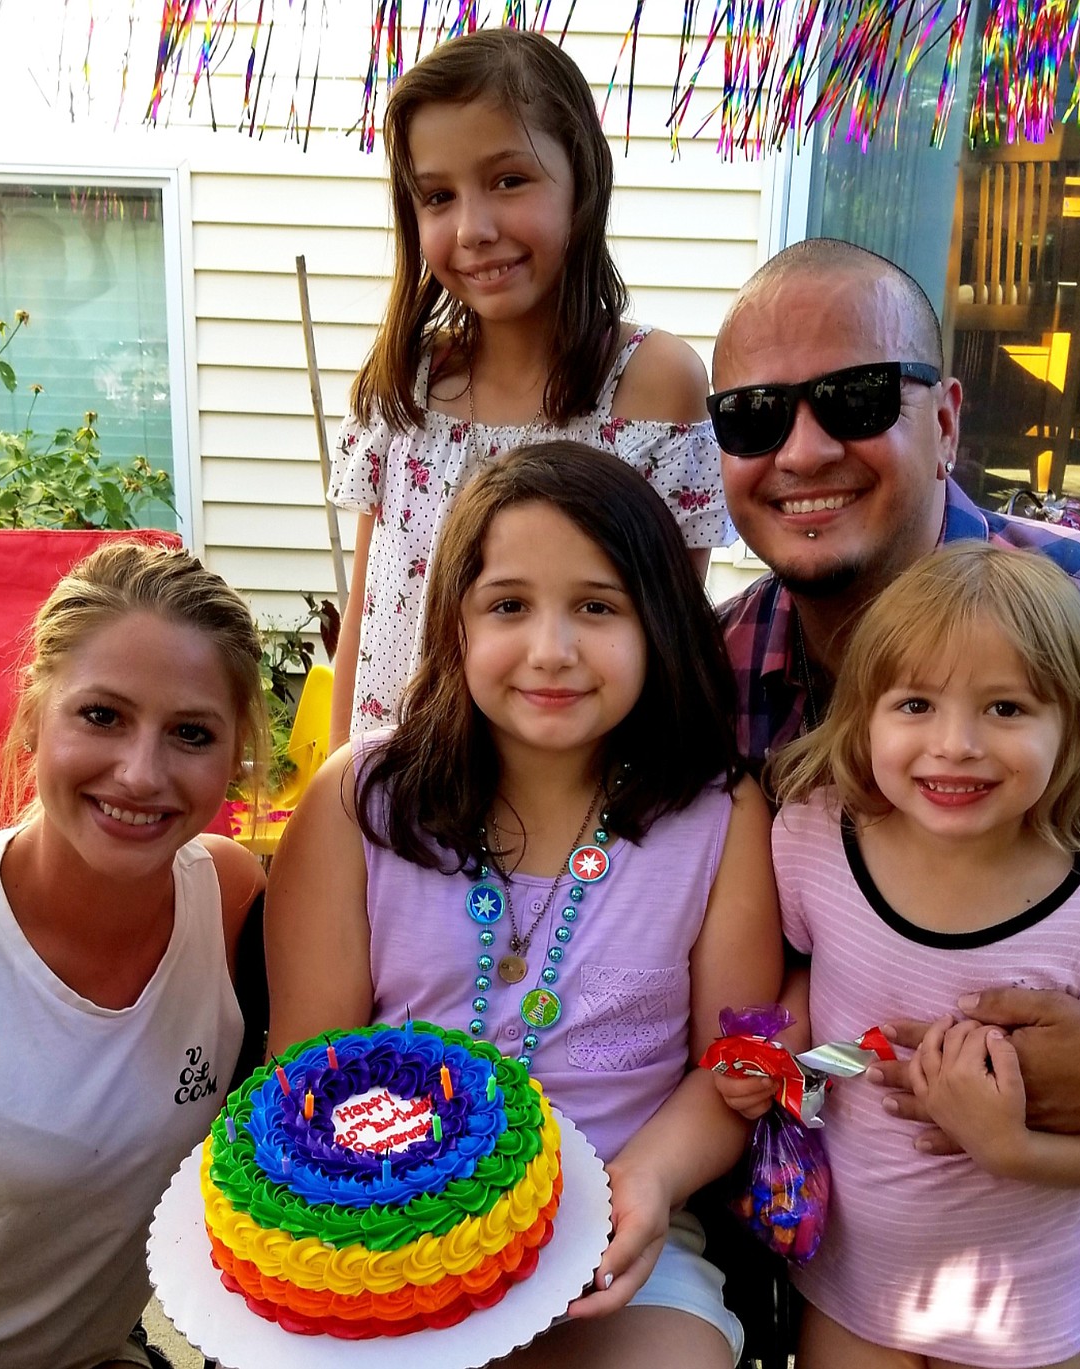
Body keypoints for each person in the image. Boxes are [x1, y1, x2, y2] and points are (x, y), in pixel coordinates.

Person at [266, 441, 782, 1367]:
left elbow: (731, 1065)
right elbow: (306, 1069)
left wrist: (651, 1182)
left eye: (597, 606)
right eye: (509, 605)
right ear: (454, 624)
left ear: (658, 622)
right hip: (382, 1229)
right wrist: (401, 1242)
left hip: (616, 1233)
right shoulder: (358, 802)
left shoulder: (718, 814)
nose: (552, 650)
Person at [711, 236, 1080, 1138]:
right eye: (752, 416)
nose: (803, 451)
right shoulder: (715, 666)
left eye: (855, 398)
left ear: (945, 422)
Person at [721, 542, 1080, 1368]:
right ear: (865, 711)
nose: (957, 744)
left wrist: (1011, 1147)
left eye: (1006, 709)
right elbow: (815, 976)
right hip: (850, 1288)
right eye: (915, 704)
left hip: (1027, 1309)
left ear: (1077, 723)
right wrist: (776, 1052)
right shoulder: (811, 842)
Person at [329, 27, 731, 747]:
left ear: (581, 178)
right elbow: (364, 616)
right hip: (406, 790)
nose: (474, 228)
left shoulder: (655, 387)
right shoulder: (405, 387)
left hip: (577, 809)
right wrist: (335, 794)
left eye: (509, 180)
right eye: (438, 196)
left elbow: (670, 630)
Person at [0, 541, 269, 1369]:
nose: (140, 773)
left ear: (236, 753)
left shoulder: (230, 899)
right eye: (102, 715)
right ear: (32, 714)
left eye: (191, 733)